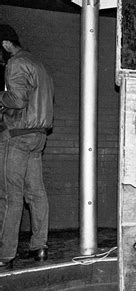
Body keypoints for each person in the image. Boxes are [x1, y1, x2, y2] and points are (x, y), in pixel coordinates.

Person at [0, 25, 54, 269]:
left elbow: (17, 99)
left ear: (5, 44)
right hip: (38, 136)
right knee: (36, 194)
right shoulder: (39, 65)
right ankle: (39, 246)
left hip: (17, 136)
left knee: (9, 196)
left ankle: (5, 253)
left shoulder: (16, 63)